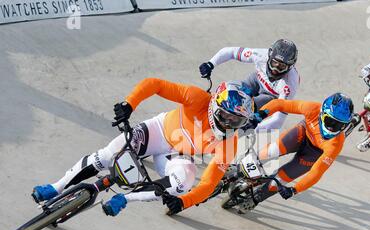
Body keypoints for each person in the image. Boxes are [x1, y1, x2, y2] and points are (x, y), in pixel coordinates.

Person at [32, 79, 254, 216]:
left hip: (175, 155)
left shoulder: (229, 143)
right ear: (215, 105)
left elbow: (208, 184)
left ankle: (124, 200)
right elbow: (154, 84)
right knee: (107, 156)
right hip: (157, 131)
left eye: (237, 122)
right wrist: (129, 105)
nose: (230, 124)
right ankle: (56, 187)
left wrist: (184, 202)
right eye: (227, 117)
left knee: (184, 181)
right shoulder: (198, 98)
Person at [239, 93, 354, 212]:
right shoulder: (313, 109)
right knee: (271, 151)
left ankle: (257, 198)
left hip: (313, 154)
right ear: (322, 113)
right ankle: (240, 168)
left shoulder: (336, 144)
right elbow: (280, 104)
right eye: (330, 121)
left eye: (339, 125)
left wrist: (294, 190)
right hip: (302, 133)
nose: (332, 128)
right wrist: (261, 114)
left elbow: (317, 172)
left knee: (278, 181)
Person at [199, 39, 299, 131]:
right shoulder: (260, 55)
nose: (275, 70)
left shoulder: (289, 84)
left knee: (247, 111)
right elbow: (231, 52)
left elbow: (278, 121)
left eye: (282, 67)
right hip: (256, 80)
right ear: (269, 56)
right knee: (234, 97)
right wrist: (210, 64)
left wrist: (254, 126)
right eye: (274, 63)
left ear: (290, 67)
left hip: (271, 96)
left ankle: (229, 132)